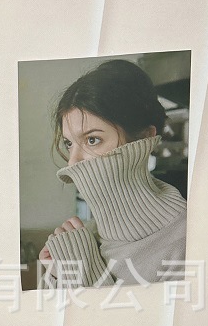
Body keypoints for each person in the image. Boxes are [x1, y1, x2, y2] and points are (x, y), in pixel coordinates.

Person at [38, 59, 188, 288]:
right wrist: (58, 277)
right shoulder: (79, 239)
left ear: (144, 138)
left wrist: (82, 275)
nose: (73, 161)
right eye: (69, 144)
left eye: (92, 140)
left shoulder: (187, 241)